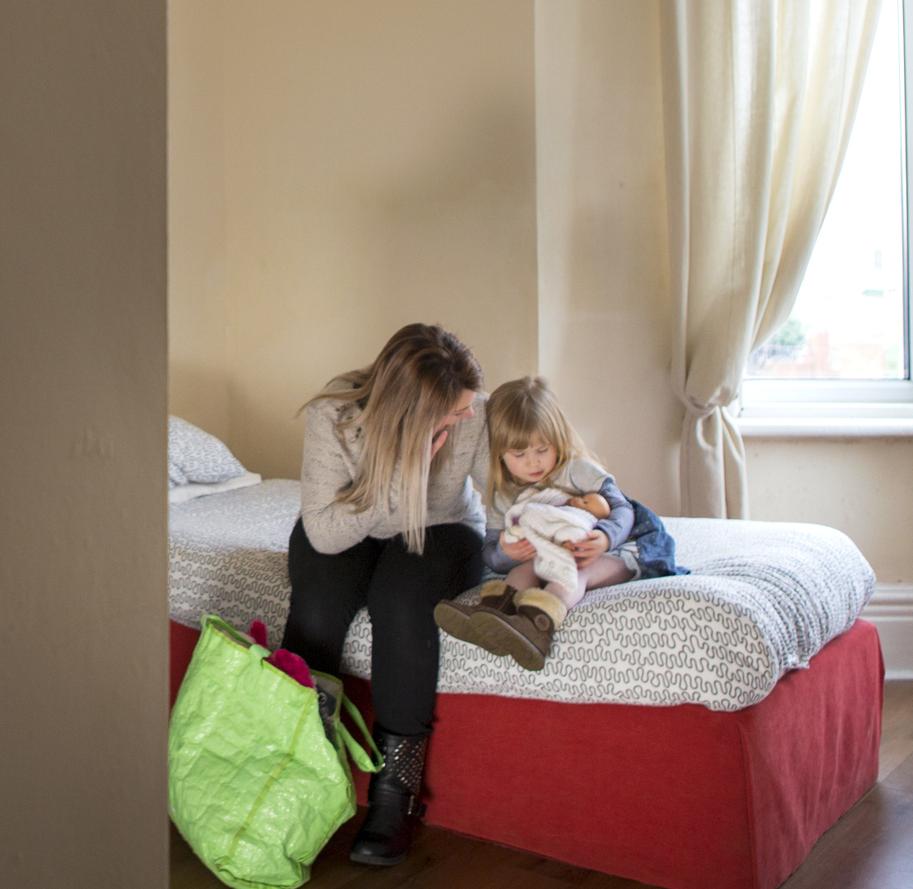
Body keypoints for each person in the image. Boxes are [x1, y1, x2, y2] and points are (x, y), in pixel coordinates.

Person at [281, 323, 488, 868]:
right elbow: (325, 530)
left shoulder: (474, 414)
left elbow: (522, 483)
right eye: (454, 411)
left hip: (443, 530)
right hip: (352, 524)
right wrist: (399, 470)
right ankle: (296, 770)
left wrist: (594, 522)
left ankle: (395, 796)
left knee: (400, 596)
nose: (467, 416)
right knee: (319, 603)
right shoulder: (337, 414)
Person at [434, 376, 676, 672]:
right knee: (527, 568)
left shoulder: (576, 470)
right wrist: (507, 555)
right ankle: (494, 614)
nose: (533, 463)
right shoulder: (504, 495)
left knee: (576, 570)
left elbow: (622, 509)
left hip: (624, 546)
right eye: (519, 454)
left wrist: (605, 538)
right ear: (498, 452)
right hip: (558, 549)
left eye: (542, 450)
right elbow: (492, 554)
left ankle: (539, 624)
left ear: (558, 440)